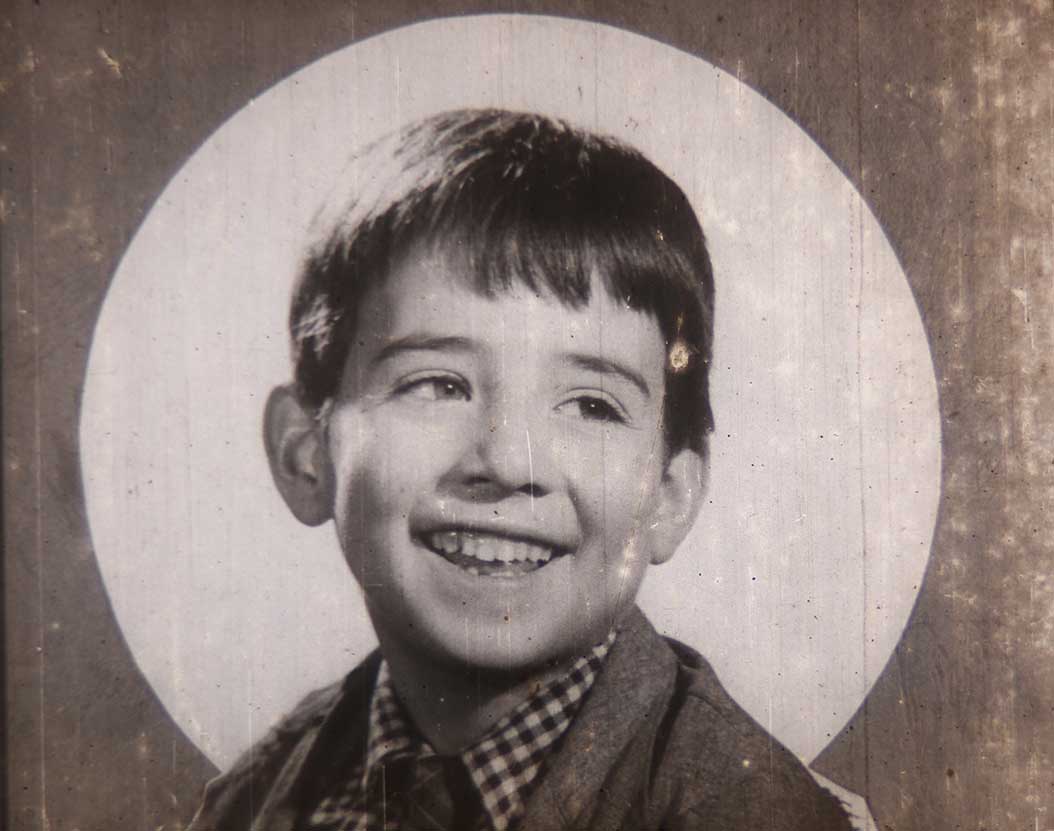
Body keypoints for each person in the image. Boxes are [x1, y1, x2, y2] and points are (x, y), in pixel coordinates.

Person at [188, 109, 852, 831]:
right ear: (306, 453)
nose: (508, 463)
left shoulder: (753, 813)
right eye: (438, 385)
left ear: (669, 494)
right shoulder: (253, 799)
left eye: (591, 405)